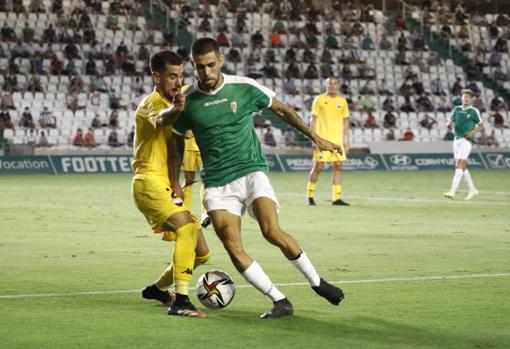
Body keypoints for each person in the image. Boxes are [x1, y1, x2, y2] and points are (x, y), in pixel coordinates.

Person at [167, 38, 344, 319]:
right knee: (232, 245)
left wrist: (315, 137)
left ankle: (317, 282)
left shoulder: (244, 86)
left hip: (251, 172)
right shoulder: (187, 102)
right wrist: (174, 180)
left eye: (212, 65)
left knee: (271, 231)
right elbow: (175, 146)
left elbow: (282, 109)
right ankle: (279, 300)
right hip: (217, 184)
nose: (207, 72)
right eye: (201, 67)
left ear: (221, 61)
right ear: (193, 66)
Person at [131, 50, 211, 318]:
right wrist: (175, 109)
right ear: (156, 76)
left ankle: (156, 289)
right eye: (171, 77)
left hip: (165, 183)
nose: (178, 82)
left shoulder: (180, 100)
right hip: (147, 181)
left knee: (202, 254)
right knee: (186, 229)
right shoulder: (150, 104)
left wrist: (176, 182)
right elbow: (163, 118)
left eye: (180, 76)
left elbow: (175, 147)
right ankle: (181, 302)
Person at [307, 76, 350, 206]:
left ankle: (336, 198)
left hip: (337, 141)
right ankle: (310, 196)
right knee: (319, 166)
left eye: (335, 83)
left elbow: (345, 121)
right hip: (323, 140)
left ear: (338, 85)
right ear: (326, 85)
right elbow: (312, 119)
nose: (332, 86)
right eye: (329, 83)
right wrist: (314, 138)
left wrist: (347, 140)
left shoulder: (342, 101)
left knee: (338, 166)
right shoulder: (319, 99)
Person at [443, 89, 485, 201]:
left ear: (471, 100)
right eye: (464, 96)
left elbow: (482, 126)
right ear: (461, 98)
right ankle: (472, 190)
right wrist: (448, 124)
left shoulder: (473, 111)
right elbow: (450, 121)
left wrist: (474, 132)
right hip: (456, 140)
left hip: (467, 140)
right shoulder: (456, 109)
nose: (466, 99)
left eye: (468, 97)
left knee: (459, 164)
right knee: (461, 165)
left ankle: (452, 191)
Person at [181, 130, 210, 228]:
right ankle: (184, 212)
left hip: (203, 145)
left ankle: (205, 213)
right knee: (189, 180)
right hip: (188, 145)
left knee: (206, 179)